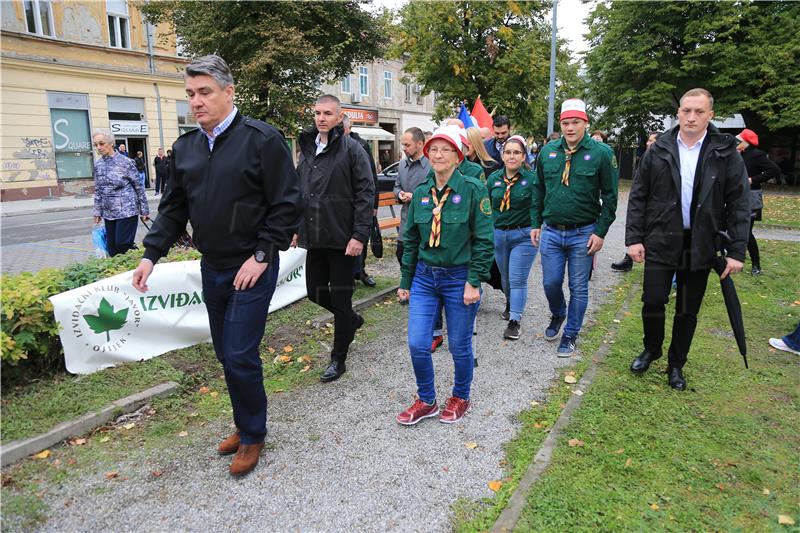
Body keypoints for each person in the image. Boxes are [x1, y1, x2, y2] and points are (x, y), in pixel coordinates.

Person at [132, 55, 302, 477]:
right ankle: (244, 424)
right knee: (227, 355)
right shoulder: (185, 148)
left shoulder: (262, 139)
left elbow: (287, 203)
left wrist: (262, 255)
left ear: (228, 92)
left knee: (241, 352)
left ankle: (253, 436)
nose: (196, 102)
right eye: (190, 94)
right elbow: (173, 208)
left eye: (205, 92)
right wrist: (150, 253)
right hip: (214, 266)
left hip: (252, 265)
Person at [626, 88, 750, 390]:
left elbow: (739, 203)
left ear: (710, 115)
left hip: (701, 243)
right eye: (686, 111)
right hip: (660, 239)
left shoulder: (724, 151)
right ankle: (651, 348)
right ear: (678, 113)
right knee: (653, 300)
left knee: (687, 308)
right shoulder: (660, 148)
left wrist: (736, 251)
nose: (691, 117)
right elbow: (639, 195)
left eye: (698, 111)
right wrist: (634, 238)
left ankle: (676, 363)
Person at [395, 126, 494, 425]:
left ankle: (461, 396)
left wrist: (474, 281)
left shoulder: (474, 190)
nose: (437, 155)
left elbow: (485, 241)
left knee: (460, 345)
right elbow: (411, 240)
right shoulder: (423, 192)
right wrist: (405, 281)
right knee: (417, 342)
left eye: (445, 149)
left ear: (458, 155)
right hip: (425, 277)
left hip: (459, 277)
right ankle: (427, 400)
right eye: (433, 150)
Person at [294, 94, 374, 384]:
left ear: (340, 117)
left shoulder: (353, 150)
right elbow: (299, 191)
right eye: (317, 113)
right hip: (315, 237)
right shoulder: (308, 150)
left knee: (341, 300)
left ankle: (338, 357)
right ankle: (350, 321)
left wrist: (359, 235)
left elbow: (366, 194)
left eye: (328, 113)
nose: (321, 118)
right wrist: (295, 226)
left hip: (343, 240)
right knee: (315, 291)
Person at [532, 98, 618, 356]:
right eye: (566, 123)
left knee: (578, 286)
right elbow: (538, 189)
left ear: (585, 123)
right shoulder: (548, 152)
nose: (570, 128)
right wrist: (536, 223)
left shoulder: (602, 154)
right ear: (561, 124)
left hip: (584, 232)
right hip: (552, 230)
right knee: (550, 282)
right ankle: (558, 313)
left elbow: (611, 196)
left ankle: (570, 334)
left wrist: (600, 232)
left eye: (576, 122)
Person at [486, 135, 538, 340]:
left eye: (516, 152)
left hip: (523, 235)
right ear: (502, 155)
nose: (512, 156)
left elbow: (537, 206)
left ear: (524, 155)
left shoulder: (532, 179)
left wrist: (537, 227)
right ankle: (510, 302)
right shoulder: (494, 179)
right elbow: (486, 207)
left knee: (517, 279)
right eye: (508, 152)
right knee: (505, 279)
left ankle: (515, 321)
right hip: (499, 234)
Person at [92, 130, 149, 256]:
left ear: (111, 143)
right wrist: (97, 211)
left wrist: (144, 210)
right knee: (112, 249)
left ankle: (138, 262)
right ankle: (121, 271)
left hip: (127, 210)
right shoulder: (98, 165)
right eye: (95, 145)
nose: (99, 147)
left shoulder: (126, 162)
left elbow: (139, 187)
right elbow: (98, 189)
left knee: (123, 244)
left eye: (102, 143)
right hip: (109, 212)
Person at [611, 131, 662, 273]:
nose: (648, 143)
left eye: (652, 141)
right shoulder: (647, 157)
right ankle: (629, 259)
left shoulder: (664, 159)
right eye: (648, 140)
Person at [736, 128, 781, 275]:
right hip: (735, 196)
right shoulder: (737, 154)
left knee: (747, 232)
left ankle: (756, 265)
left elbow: (774, 170)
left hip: (751, 196)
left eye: (739, 141)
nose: (736, 143)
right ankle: (736, 261)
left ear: (746, 142)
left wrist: (752, 180)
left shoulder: (757, 155)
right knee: (734, 230)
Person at [342, 114, 379, 288]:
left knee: (361, 237)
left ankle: (361, 271)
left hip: (361, 201)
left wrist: (375, 204)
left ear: (348, 128)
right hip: (342, 203)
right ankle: (347, 275)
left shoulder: (361, 144)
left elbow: (372, 176)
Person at [394, 127, 431, 269]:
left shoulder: (431, 165)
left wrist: (415, 197)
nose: (404, 148)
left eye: (407, 145)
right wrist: (399, 194)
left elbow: (436, 192)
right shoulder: (402, 164)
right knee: (401, 256)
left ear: (420, 144)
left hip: (424, 225)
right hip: (405, 223)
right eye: (403, 144)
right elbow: (396, 187)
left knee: (421, 264)